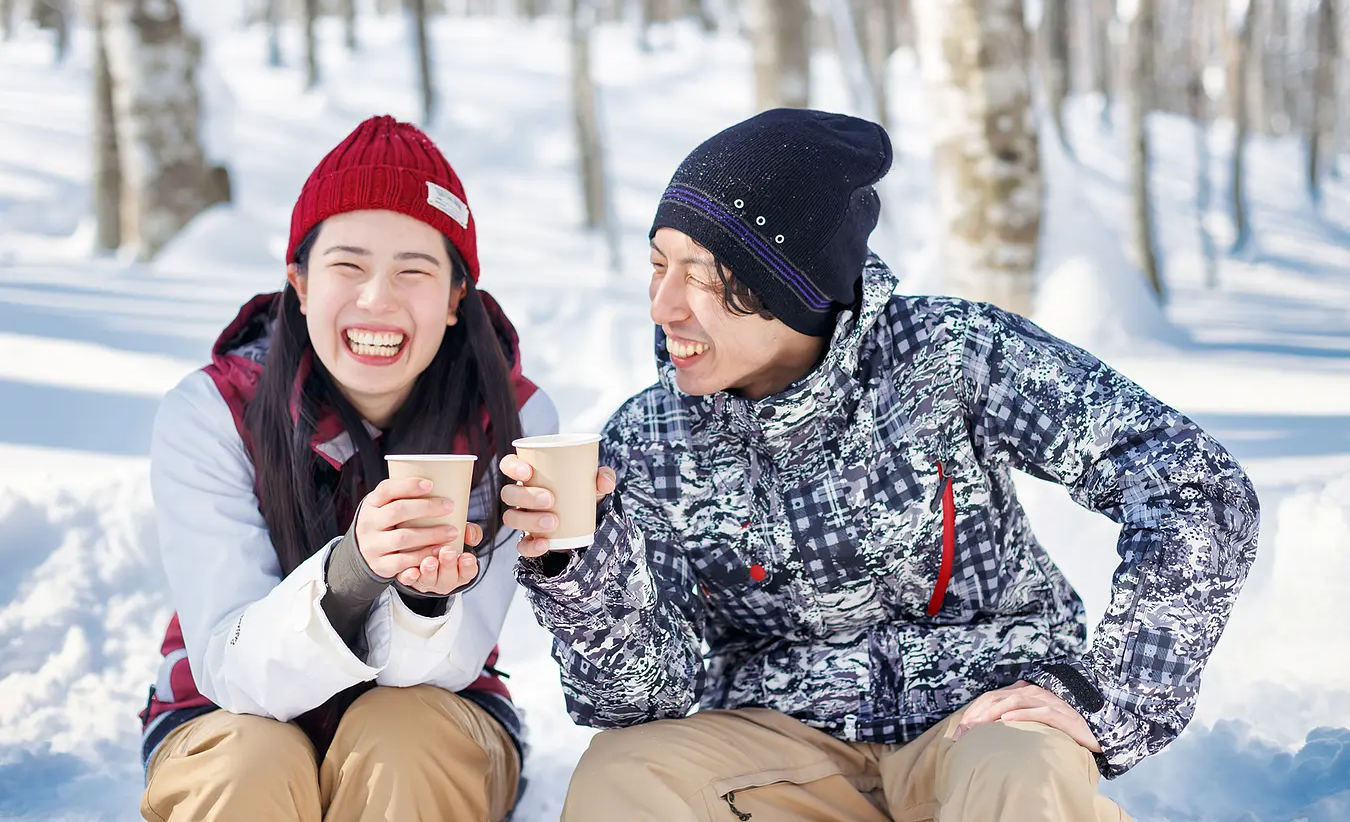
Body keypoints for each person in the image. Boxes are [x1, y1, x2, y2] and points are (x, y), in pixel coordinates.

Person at [500, 108, 1259, 821]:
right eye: (657, 264)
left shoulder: (950, 356)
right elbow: (640, 700)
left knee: (1022, 775)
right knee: (621, 773)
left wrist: (1117, 693)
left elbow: (1193, 484)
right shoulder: (649, 436)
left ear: (790, 286)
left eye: (700, 275)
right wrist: (584, 572)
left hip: (982, 722)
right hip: (782, 750)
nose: (664, 306)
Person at [138, 116, 557, 822]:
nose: (376, 300)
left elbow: (452, 665)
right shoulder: (213, 412)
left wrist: (426, 602)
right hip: (224, 715)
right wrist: (353, 574)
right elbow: (229, 665)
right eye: (348, 265)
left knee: (402, 739)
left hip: (437, 718)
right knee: (253, 762)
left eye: (414, 271)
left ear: (458, 297)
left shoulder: (511, 424)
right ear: (299, 284)